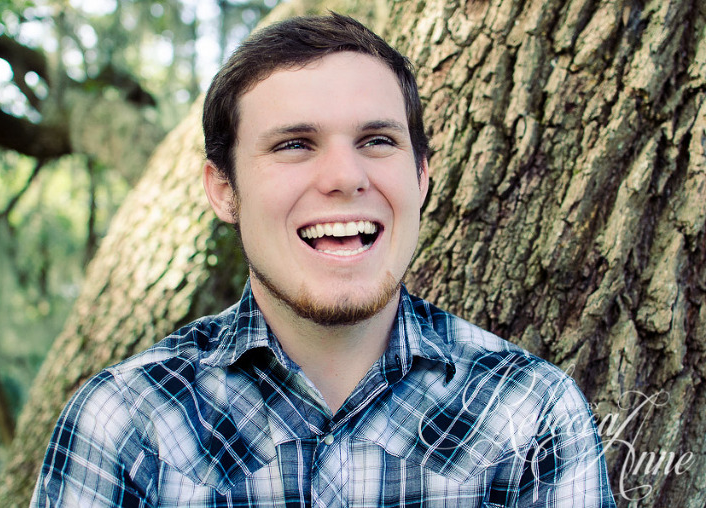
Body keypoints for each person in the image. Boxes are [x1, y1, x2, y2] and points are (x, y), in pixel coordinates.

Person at [31, 13, 616, 507]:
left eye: (377, 141)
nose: (343, 177)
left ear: (421, 177)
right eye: (293, 145)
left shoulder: (530, 415)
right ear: (223, 190)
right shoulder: (127, 425)